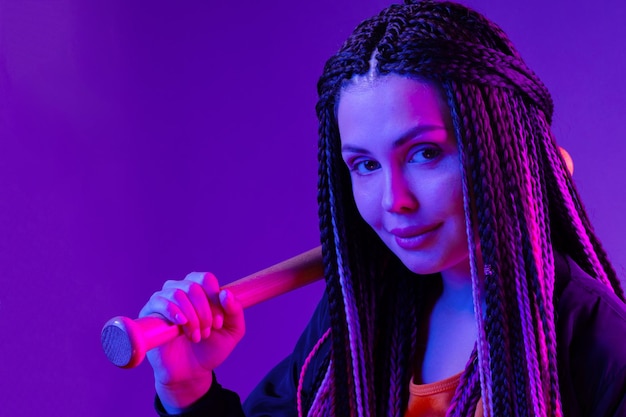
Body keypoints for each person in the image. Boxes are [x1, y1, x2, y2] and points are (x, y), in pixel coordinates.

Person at [139, 1, 626, 416]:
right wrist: (188, 388)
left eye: (425, 153)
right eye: (366, 165)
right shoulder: (352, 323)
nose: (394, 201)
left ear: (500, 149)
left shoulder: (599, 346)